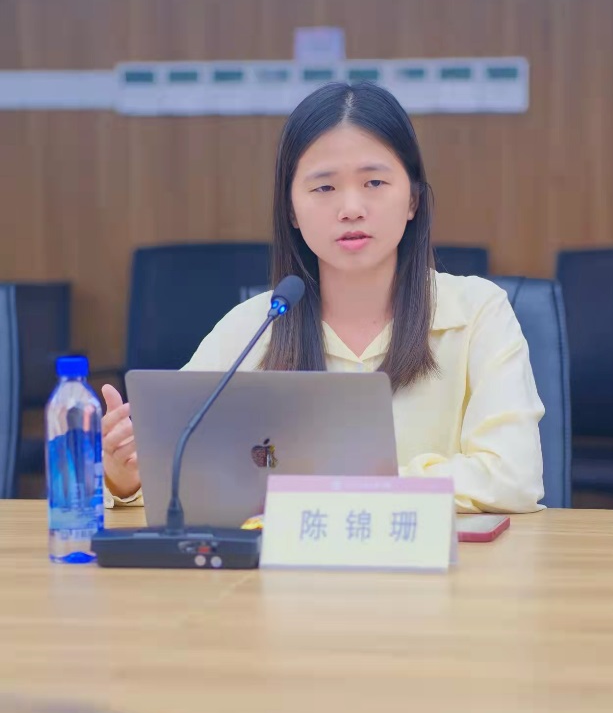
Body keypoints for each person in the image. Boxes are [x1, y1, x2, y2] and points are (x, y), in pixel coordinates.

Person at [103, 81, 544, 514]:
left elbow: (512, 477)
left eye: (374, 182)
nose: (351, 208)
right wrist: (126, 475)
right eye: (324, 188)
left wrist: (347, 485)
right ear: (291, 211)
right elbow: (175, 469)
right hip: (288, 562)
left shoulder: (478, 313)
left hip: (443, 561)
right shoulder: (253, 326)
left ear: (412, 199)